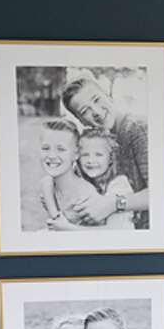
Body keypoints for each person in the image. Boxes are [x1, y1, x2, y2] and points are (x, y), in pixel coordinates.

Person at [61, 77, 150, 228]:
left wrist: (114, 204)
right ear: (81, 120)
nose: (95, 112)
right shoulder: (95, 142)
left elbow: (162, 194)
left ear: (109, 95)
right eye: (85, 111)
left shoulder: (136, 129)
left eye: (96, 99)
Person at [35, 119, 98, 230]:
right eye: (45, 148)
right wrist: (55, 215)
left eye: (61, 149)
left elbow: (97, 239)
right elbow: (46, 182)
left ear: (76, 154)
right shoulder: (48, 184)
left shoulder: (86, 196)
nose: (52, 155)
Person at [75, 130, 135, 230]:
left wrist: (67, 228)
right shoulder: (84, 183)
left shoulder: (119, 185)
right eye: (85, 155)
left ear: (111, 158)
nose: (90, 160)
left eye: (98, 155)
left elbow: (114, 232)